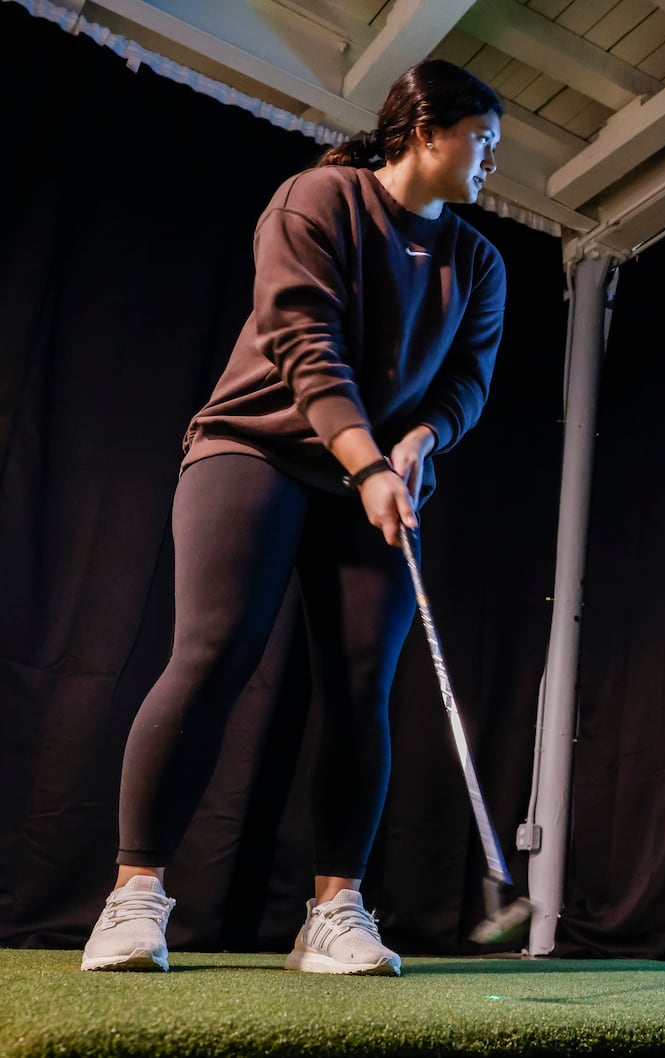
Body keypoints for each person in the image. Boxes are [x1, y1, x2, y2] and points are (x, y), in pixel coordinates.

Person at [80, 60, 507, 976]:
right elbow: (303, 342)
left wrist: (421, 442)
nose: (490, 163)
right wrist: (363, 459)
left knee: (361, 686)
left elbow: (469, 381)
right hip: (257, 448)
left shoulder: (479, 262)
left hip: (378, 477)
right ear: (427, 130)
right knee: (215, 652)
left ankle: (336, 911)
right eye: (483, 140)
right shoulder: (317, 199)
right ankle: (134, 896)